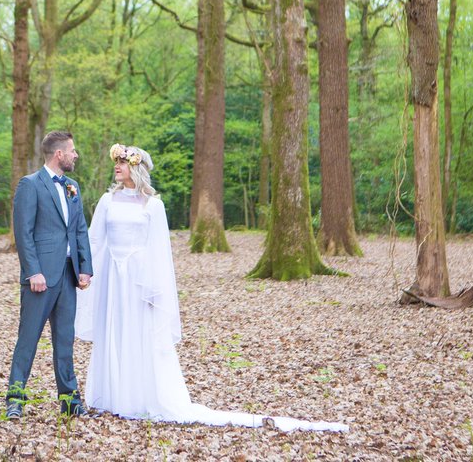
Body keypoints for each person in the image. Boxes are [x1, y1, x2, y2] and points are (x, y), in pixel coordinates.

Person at [74, 144, 347, 433]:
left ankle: (138, 396)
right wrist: (86, 271)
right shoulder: (107, 201)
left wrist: (155, 289)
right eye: (116, 162)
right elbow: (94, 241)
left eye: (123, 162)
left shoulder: (153, 205)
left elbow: (159, 252)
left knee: (137, 333)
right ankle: (113, 394)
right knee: (115, 330)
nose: (117, 166)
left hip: (139, 280)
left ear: (137, 168)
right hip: (113, 280)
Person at [5, 131, 92, 419]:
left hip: (67, 277)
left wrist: (84, 269)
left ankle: (70, 401)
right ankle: (15, 399)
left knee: (65, 340)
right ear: (59, 154)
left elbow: (79, 230)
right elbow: (23, 233)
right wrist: (33, 272)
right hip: (39, 279)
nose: (75, 155)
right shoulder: (30, 185)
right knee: (28, 339)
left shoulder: (73, 187)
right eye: (72, 150)